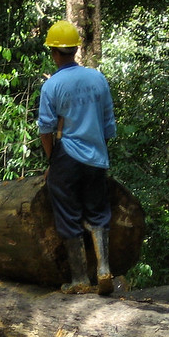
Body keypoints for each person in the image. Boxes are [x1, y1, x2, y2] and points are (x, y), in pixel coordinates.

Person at [37, 20, 117, 295]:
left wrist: (53, 162)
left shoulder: (52, 85)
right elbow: (108, 125)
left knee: (68, 214)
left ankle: (80, 279)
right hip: (97, 156)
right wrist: (98, 151)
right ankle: (104, 269)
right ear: (75, 50)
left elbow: (46, 130)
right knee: (98, 211)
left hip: (68, 156)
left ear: (55, 53)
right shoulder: (97, 78)